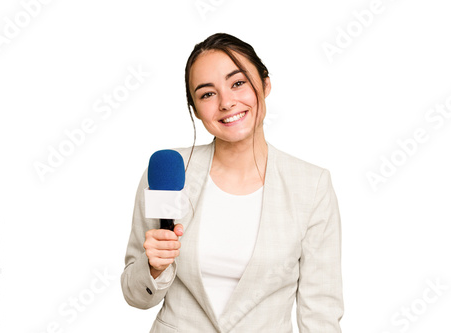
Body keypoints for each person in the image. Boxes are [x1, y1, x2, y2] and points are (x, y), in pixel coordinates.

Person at [121, 33, 343, 332]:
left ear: (265, 84)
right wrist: (154, 267)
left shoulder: (311, 185)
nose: (226, 102)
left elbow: (321, 312)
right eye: (207, 94)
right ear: (196, 110)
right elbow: (136, 296)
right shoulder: (169, 172)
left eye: (238, 83)